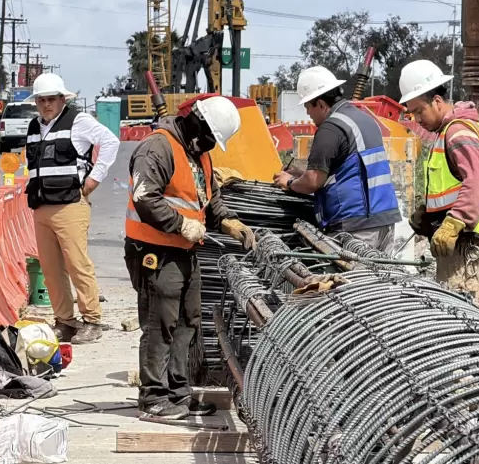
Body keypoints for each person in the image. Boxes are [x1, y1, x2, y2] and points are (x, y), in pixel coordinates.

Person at [124, 94, 256, 420]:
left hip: (184, 252)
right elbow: (144, 197)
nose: (211, 144)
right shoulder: (158, 148)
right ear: (197, 122)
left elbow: (209, 201)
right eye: (210, 137)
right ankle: (154, 399)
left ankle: (178, 395)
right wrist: (181, 224)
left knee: (187, 323)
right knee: (160, 325)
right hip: (155, 252)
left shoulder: (199, 155)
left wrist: (229, 222)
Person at [23, 73, 120, 345]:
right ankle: (64, 321)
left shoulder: (79, 121)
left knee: (77, 264)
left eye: (51, 99)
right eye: (41, 100)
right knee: (51, 269)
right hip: (41, 206)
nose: (46, 105)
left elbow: (111, 142)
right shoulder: (33, 127)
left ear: (62, 99)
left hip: (70, 205)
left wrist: (94, 179)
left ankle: (92, 321)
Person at [398, 60, 479, 303]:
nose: (417, 119)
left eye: (420, 111)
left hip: (465, 241)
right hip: (455, 241)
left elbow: (475, 181)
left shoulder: (457, 132)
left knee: (462, 317)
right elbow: (452, 185)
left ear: (438, 101)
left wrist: (455, 222)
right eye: (413, 113)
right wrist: (429, 214)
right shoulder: (448, 133)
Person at [272, 66, 401, 252]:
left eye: (308, 107)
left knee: (352, 280)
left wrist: (290, 182)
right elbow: (351, 169)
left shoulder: (330, 128)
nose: (307, 113)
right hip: (384, 221)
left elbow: (313, 182)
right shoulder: (364, 119)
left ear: (322, 105)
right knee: (381, 278)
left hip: (355, 226)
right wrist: (302, 174)